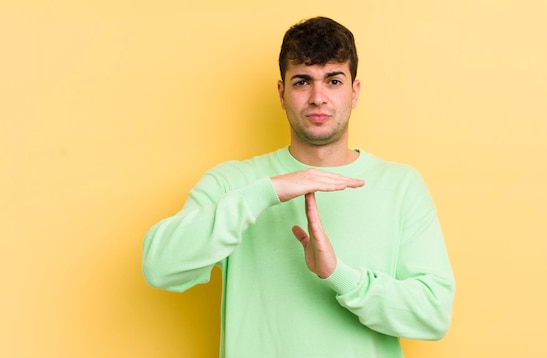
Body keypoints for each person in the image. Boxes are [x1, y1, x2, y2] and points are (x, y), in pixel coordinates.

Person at [143, 16, 455, 358]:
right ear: (282, 93)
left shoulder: (400, 185)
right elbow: (160, 268)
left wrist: (339, 275)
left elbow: (433, 315)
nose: (318, 97)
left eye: (333, 81)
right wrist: (266, 192)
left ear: (354, 92)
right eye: (302, 81)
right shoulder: (233, 182)